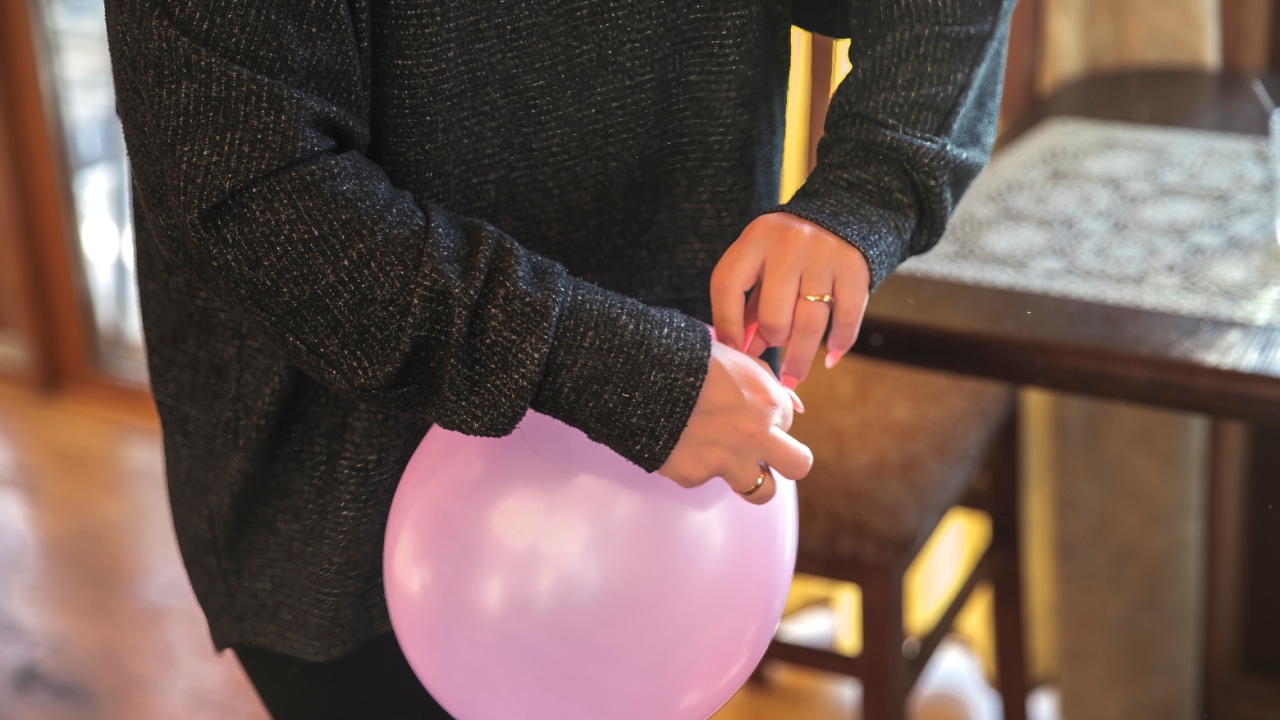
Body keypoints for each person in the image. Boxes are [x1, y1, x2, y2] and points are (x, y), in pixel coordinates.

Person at [103, 0, 1014, 717]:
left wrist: (873, 180)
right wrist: (619, 374)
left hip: (665, 478)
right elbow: (258, 193)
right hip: (333, 478)